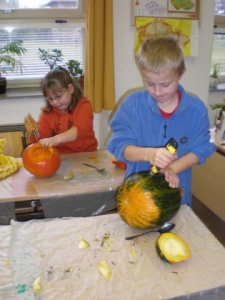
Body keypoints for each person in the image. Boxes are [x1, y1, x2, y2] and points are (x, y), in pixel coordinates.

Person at [107, 36, 216, 206]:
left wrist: (172, 169)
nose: (158, 92)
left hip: (177, 197)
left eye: (165, 84)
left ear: (181, 74)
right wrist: (148, 154)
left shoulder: (196, 110)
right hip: (136, 196)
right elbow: (119, 146)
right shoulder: (131, 105)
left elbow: (202, 149)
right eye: (150, 83)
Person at [25, 66, 98, 154]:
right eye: (50, 99)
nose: (55, 102)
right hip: (60, 157)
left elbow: (79, 131)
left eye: (58, 96)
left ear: (70, 89)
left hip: (86, 155)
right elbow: (40, 142)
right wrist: (36, 133)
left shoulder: (84, 106)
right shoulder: (46, 113)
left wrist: (56, 139)